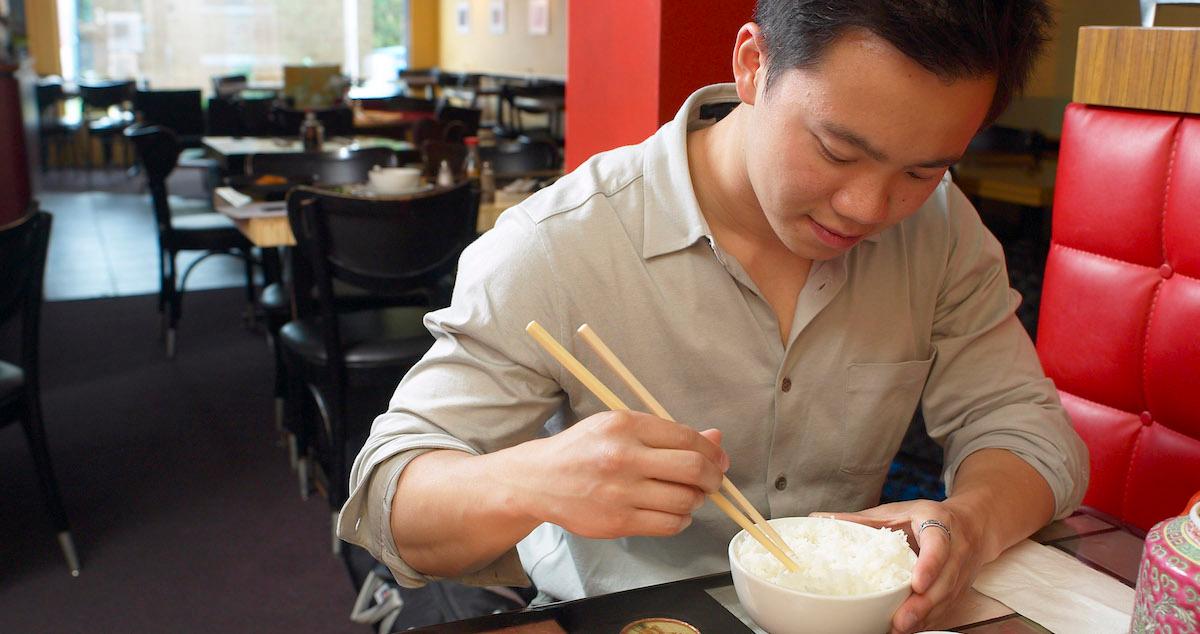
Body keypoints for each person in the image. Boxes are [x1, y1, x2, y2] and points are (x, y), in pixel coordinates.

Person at [338, 1, 1089, 632]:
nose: (869, 206)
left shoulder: (941, 230)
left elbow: (1026, 430)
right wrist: (534, 478)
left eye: (922, 170)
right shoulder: (561, 244)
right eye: (835, 149)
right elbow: (389, 503)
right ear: (752, 65)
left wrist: (969, 521)